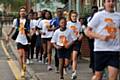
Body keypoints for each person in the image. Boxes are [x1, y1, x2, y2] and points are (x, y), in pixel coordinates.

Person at [85, 0, 120, 80]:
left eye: (113, 1)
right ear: (104, 3)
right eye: (108, 1)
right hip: (100, 50)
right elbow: (87, 31)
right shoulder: (98, 15)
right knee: (98, 77)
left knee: (113, 78)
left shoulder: (118, 16)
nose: (111, 3)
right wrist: (101, 37)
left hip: (114, 50)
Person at [6, 7, 30, 77]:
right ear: (19, 13)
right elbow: (13, 28)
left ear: (25, 13)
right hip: (19, 39)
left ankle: (24, 64)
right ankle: (22, 70)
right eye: (21, 11)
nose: (22, 12)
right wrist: (8, 35)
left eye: (23, 11)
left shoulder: (28, 21)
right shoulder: (16, 20)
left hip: (26, 39)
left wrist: (29, 32)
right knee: (20, 55)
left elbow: (31, 30)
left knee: (25, 55)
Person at [67, 11, 83, 79]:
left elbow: (81, 32)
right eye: (73, 16)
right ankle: (66, 66)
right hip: (69, 42)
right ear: (70, 17)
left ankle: (74, 73)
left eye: (75, 16)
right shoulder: (68, 23)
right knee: (68, 58)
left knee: (74, 57)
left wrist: (81, 36)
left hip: (76, 42)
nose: (74, 17)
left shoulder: (79, 23)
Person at [50, 8, 63, 72]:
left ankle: (64, 67)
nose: (59, 13)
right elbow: (50, 28)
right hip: (57, 38)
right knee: (57, 53)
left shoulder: (65, 19)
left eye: (60, 12)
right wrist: (57, 27)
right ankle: (57, 66)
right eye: (58, 12)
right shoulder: (54, 20)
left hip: (64, 38)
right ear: (56, 12)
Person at [87, 6, 98, 74]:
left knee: (97, 52)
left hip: (98, 38)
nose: (94, 12)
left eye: (95, 10)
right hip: (91, 38)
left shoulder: (100, 18)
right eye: (93, 11)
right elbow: (86, 28)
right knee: (92, 52)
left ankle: (96, 66)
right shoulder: (89, 19)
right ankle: (93, 66)